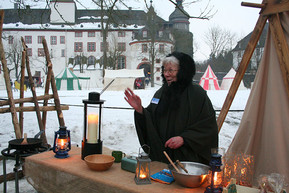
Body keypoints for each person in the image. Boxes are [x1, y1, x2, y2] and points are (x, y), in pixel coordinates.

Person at [124, 51, 218, 165]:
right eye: (164, 70)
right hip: (162, 157)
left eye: (171, 70)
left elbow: (208, 127)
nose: (166, 74)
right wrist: (140, 110)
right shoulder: (161, 93)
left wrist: (185, 139)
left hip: (187, 161)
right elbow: (151, 119)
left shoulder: (197, 94)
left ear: (183, 71)